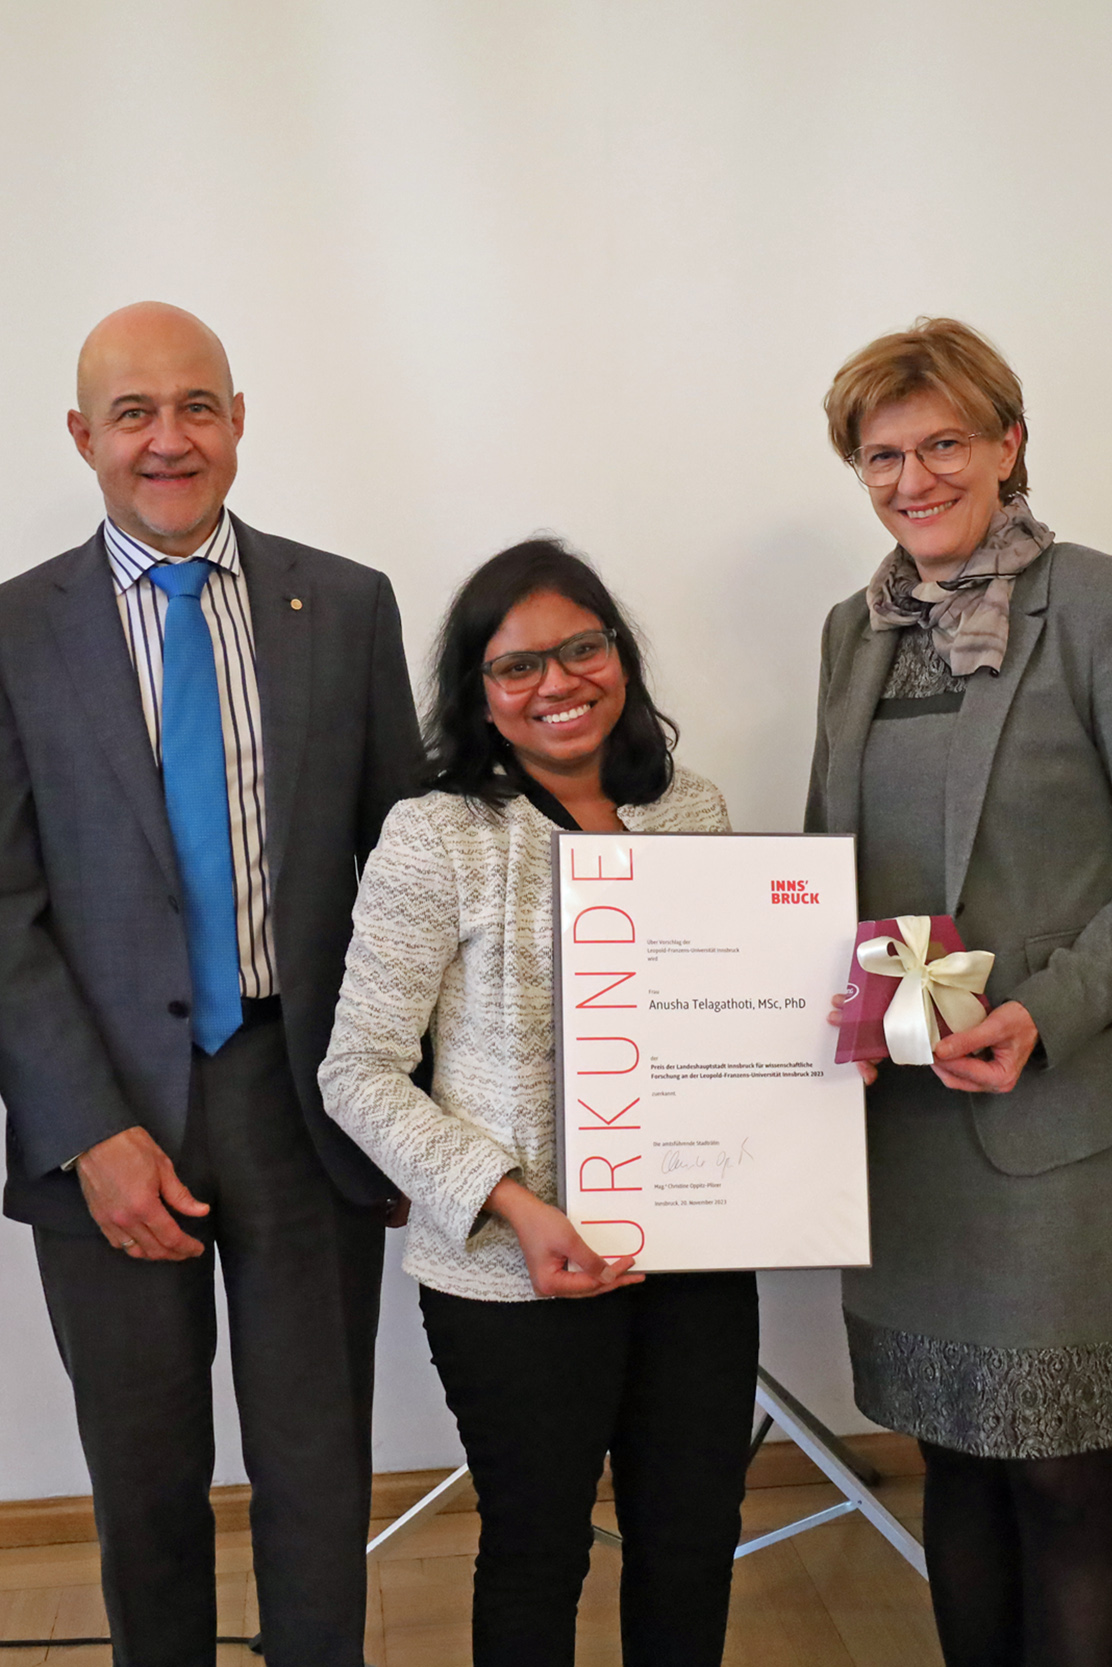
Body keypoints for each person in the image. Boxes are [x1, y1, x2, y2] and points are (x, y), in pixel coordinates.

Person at [0, 301, 422, 1666]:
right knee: (144, 1469)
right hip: (107, 1113)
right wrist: (87, 1128)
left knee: (317, 1461)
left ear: (239, 421)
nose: (169, 438)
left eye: (197, 406)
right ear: (82, 435)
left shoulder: (347, 606)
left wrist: (403, 1099)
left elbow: (404, 872)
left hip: (302, 1094)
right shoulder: (3, 632)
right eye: (134, 412)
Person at [807, 318, 1112, 1666]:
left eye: (943, 443)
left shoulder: (1103, 604)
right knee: (950, 1452)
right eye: (883, 454)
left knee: (1056, 1466)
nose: (913, 478)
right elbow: (831, 863)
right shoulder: (853, 632)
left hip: (1058, 1117)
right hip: (907, 1125)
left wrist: (1044, 1010)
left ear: (1009, 443)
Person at [320, 539, 757, 1667]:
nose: (558, 682)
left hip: (693, 1255)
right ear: (480, 694)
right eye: (518, 666)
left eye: (582, 649)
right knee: (536, 1546)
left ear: (621, 658)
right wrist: (512, 1202)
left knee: (693, 1538)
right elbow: (357, 1068)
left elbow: (722, 1013)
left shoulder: (693, 809)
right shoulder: (434, 835)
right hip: (513, 1271)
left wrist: (812, 1053)